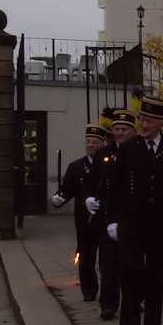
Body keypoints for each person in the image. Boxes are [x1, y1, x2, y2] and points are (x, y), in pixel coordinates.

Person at [104, 96, 163, 325]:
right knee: (131, 272)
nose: (145, 124)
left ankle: (152, 324)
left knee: (155, 275)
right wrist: (112, 220)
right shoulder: (129, 148)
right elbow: (114, 186)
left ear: (161, 122)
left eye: (150, 120)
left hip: (160, 224)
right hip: (132, 222)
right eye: (142, 119)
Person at [84, 109, 139, 320]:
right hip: (108, 215)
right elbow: (90, 182)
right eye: (116, 129)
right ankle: (108, 303)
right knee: (109, 263)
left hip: (132, 216)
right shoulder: (104, 153)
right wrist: (88, 198)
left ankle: (134, 299)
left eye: (124, 129)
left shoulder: (138, 151)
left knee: (133, 263)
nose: (120, 133)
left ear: (132, 131)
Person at [53, 124, 110, 302]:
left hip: (106, 217)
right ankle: (89, 290)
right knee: (86, 256)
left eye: (95, 142)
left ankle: (109, 291)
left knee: (107, 259)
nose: (91, 145)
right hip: (84, 219)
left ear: (103, 144)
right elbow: (68, 188)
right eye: (88, 141)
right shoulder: (76, 166)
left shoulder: (109, 163)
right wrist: (59, 198)